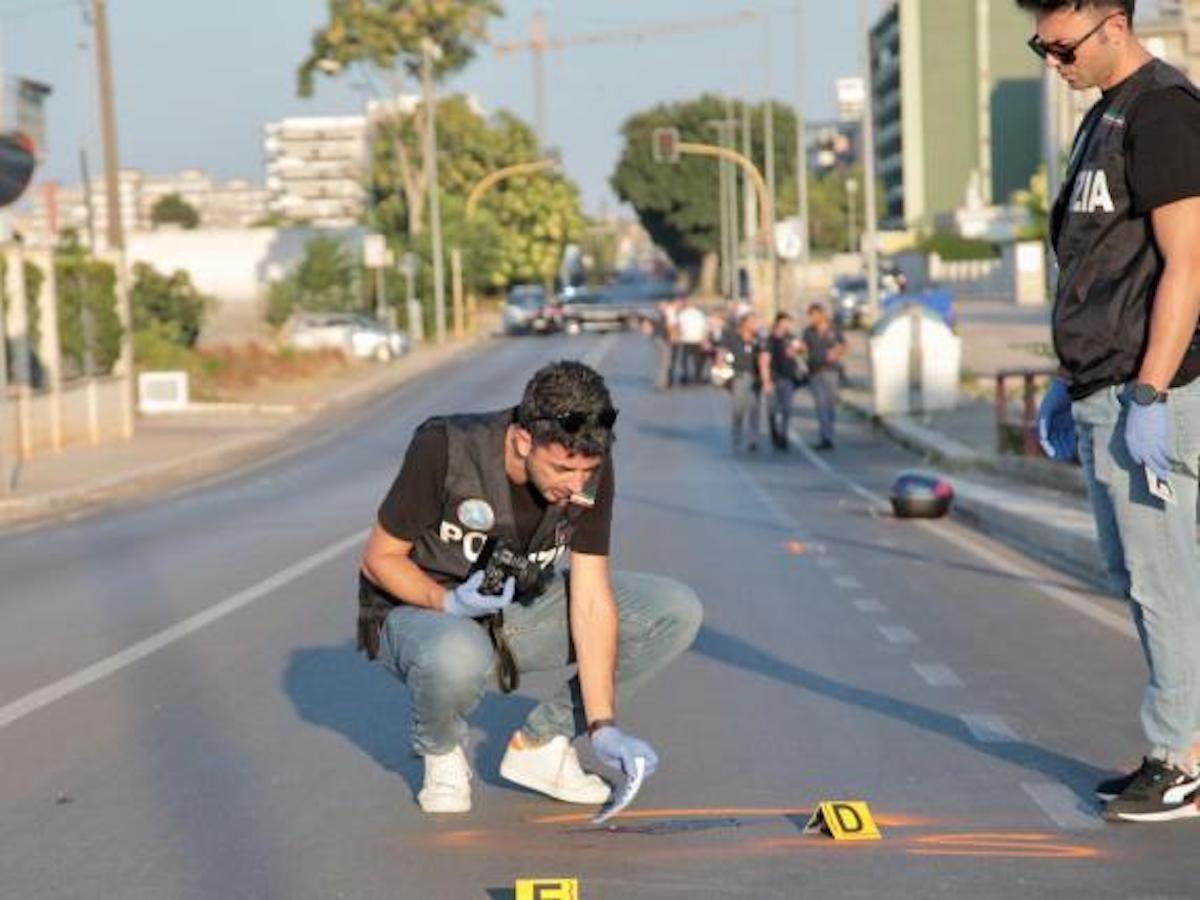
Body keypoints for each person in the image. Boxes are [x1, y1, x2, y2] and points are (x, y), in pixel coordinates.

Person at [357, 361, 703, 814]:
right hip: (418, 615)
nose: (576, 484)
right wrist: (448, 601)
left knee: (673, 610)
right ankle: (439, 751)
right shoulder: (444, 448)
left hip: (512, 614)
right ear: (523, 442)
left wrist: (602, 725)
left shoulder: (586, 471)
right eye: (561, 468)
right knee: (457, 654)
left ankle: (542, 746)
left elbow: (592, 598)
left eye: (587, 470)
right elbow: (378, 559)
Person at [1020, 0, 1200, 823]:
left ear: (1113, 23)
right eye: (1042, 47)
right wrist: (1070, 378)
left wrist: (1151, 393)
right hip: (1101, 384)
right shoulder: (1104, 119)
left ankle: (1183, 756)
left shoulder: (1162, 110)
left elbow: (1186, 264)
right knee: (1136, 577)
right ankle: (1178, 743)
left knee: (1165, 582)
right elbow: (1092, 263)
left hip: (1146, 387)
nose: (1053, 63)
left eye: (1062, 46)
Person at [800, 303, 846, 451]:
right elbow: (804, 348)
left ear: (821, 314)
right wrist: (801, 352)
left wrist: (837, 353)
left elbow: (843, 345)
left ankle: (829, 433)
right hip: (815, 371)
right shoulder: (808, 332)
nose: (812, 318)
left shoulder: (834, 329)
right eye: (810, 316)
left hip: (831, 371)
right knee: (820, 405)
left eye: (814, 315)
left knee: (830, 404)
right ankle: (825, 437)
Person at [723, 311, 771, 452]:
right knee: (739, 408)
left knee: (754, 408)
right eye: (753, 322)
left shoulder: (759, 340)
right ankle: (736, 435)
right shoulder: (733, 337)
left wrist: (765, 380)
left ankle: (753, 438)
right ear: (745, 324)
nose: (756, 325)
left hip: (754, 377)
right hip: (739, 376)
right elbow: (723, 352)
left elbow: (764, 358)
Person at [766, 312, 802, 451]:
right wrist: (767, 380)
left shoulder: (791, 338)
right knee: (773, 409)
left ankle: (784, 435)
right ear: (778, 323)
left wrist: (797, 350)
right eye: (785, 323)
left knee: (787, 409)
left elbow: (801, 351)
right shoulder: (770, 339)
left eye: (789, 323)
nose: (787, 326)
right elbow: (765, 359)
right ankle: (774, 432)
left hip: (788, 377)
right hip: (774, 377)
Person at [676, 299, 709, 385]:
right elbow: (704, 328)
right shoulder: (700, 314)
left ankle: (685, 375)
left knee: (684, 359)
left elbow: (679, 327)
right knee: (697, 359)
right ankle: (697, 376)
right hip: (697, 339)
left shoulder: (683, 314)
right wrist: (704, 339)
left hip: (686, 339)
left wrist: (678, 337)